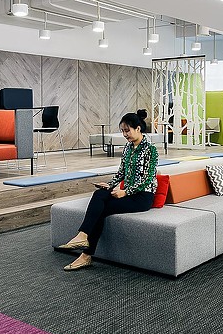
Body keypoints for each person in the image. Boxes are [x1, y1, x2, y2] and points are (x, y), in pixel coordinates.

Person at [57, 110, 158, 271]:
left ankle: (86, 255)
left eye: (127, 130)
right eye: (122, 131)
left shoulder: (150, 149)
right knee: (100, 194)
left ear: (138, 128)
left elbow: (147, 179)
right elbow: (121, 173)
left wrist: (125, 192)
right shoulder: (128, 147)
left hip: (142, 197)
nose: (125, 134)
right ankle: (82, 236)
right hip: (128, 193)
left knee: (102, 209)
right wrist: (110, 185)